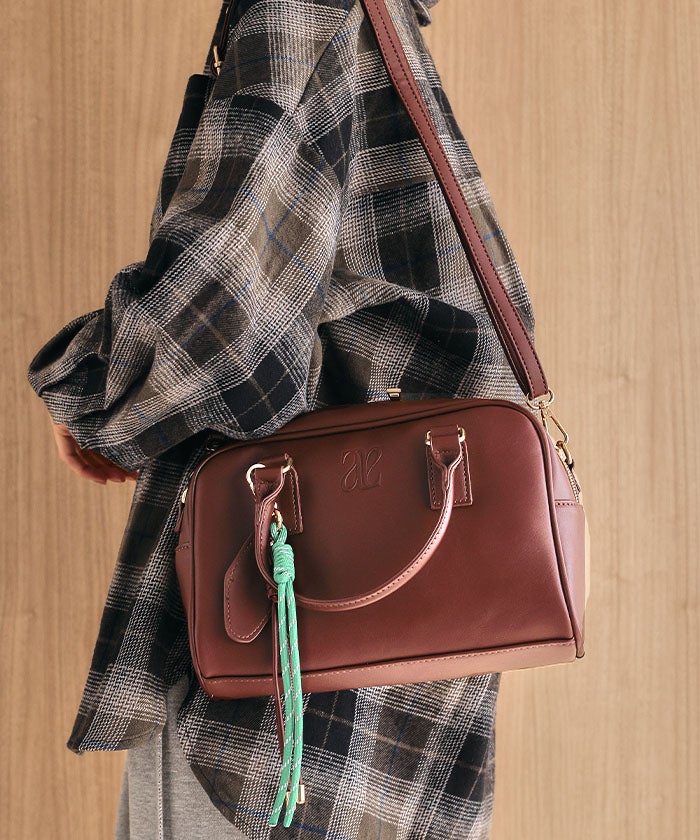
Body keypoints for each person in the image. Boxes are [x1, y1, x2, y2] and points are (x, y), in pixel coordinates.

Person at [27, 0, 538, 837]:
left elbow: (226, 314)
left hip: (277, 699)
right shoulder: (375, 23)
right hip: (402, 676)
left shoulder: (302, 13)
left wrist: (97, 396)